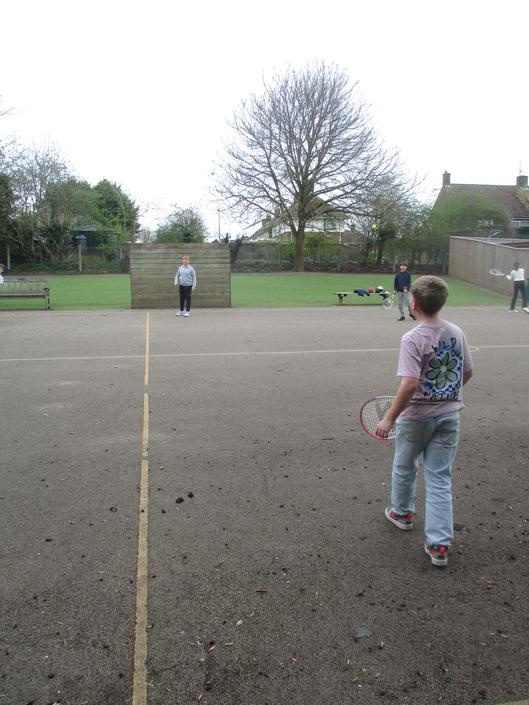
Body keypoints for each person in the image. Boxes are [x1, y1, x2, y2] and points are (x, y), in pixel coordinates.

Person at [375, 275, 474, 568]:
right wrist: (445, 395)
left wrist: (389, 418)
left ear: (414, 304)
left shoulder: (412, 338)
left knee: (404, 467)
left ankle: (402, 512)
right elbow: (467, 372)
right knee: (440, 477)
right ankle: (439, 544)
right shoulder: (456, 332)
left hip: (416, 418)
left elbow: (410, 383)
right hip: (449, 416)